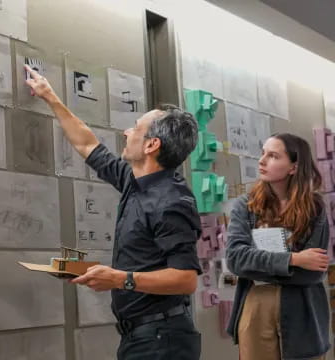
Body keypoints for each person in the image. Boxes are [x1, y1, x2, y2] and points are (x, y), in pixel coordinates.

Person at [25, 65, 202, 359]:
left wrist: (120, 279)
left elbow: (185, 279)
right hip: (141, 336)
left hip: (163, 342)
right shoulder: (134, 180)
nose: (126, 131)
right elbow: (88, 144)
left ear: (151, 144)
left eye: (135, 127)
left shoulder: (172, 201)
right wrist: (50, 97)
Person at [226, 133, 330, 360]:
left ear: (293, 167)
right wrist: (294, 260)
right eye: (263, 153)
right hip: (257, 304)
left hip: (303, 308)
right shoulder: (246, 205)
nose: (262, 161)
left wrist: (259, 266)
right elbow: (235, 259)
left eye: (273, 156)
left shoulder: (315, 208)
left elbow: (314, 273)